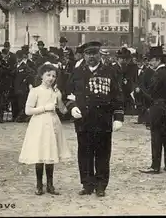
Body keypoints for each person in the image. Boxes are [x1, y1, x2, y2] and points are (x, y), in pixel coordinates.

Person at [66, 41, 124, 197]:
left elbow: (117, 96)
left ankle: (101, 185)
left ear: (100, 54)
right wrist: (72, 107)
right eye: (88, 54)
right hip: (83, 120)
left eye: (94, 53)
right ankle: (87, 184)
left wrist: (118, 116)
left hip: (103, 120)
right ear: (84, 55)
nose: (91, 57)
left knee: (103, 153)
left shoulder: (110, 71)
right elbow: (68, 93)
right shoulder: (77, 72)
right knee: (84, 153)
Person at [19, 63, 71, 195]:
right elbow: (28, 110)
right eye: (48, 75)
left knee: (50, 154)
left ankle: (50, 185)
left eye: (54, 76)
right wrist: (44, 108)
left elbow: (62, 109)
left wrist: (73, 106)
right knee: (40, 155)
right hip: (39, 124)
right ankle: (38, 185)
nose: (51, 78)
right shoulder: (35, 91)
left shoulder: (56, 92)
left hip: (53, 124)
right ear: (41, 76)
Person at [140, 46, 166, 174]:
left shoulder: (158, 74)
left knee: (156, 137)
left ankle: (155, 165)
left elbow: (152, 92)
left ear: (158, 60)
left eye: (152, 60)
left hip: (157, 108)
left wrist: (140, 93)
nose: (150, 63)